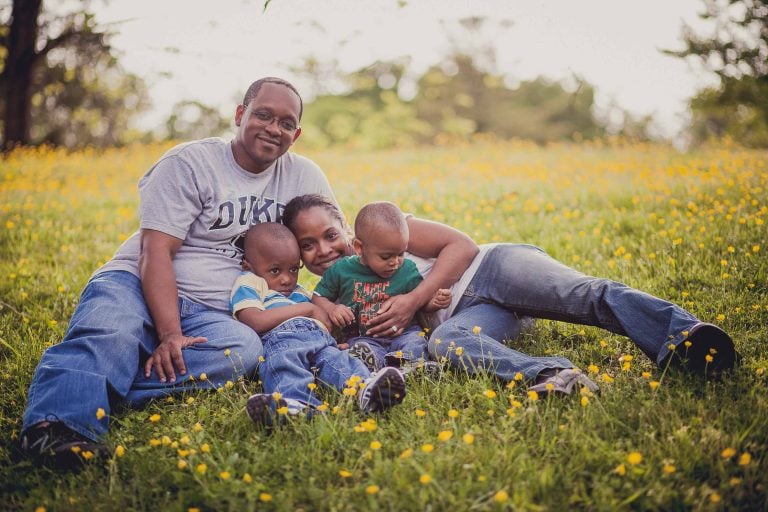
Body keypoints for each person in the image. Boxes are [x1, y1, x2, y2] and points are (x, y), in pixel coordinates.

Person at [19, 77, 336, 468]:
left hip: (216, 311)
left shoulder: (303, 177)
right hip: (135, 281)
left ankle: (101, 382)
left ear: (297, 134)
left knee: (242, 352)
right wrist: (170, 333)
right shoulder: (189, 163)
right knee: (112, 332)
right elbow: (155, 251)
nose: (274, 128)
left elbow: (327, 247)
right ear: (240, 114)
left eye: (286, 123)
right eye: (263, 115)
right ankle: (55, 427)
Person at [283, 194, 604, 394]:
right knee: (444, 342)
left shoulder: (388, 229)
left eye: (330, 235)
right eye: (307, 245)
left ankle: (657, 333)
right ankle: (555, 374)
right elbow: (323, 323)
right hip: (473, 318)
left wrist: (416, 299)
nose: (323, 250)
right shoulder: (335, 292)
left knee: (589, 295)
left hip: (493, 271)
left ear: (351, 236)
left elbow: (464, 247)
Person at [230, 222, 407, 425]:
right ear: (248, 265)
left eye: (294, 269)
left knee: (339, 361)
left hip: (319, 338)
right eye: (275, 271)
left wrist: (333, 341)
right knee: (284, 364)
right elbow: (253, 320)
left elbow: (322, 321)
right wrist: (307, 309)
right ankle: (295, 404)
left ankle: (366, 389)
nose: (287, 279)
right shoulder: (250, 282)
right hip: (282, 340)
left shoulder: (298, 291)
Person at [312, 201, 451, 372]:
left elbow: (421, 303)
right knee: (361, 349)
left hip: (404, 333)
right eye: (386, 257)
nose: (395, 262)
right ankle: (381, 367)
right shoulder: (342, 270)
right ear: (359, 248)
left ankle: (412, 367)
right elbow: (318, 296)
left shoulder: (407, 270)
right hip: (364, 337)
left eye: (400, 254)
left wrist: (435, 302)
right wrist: (332, 308)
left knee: (415, 341)